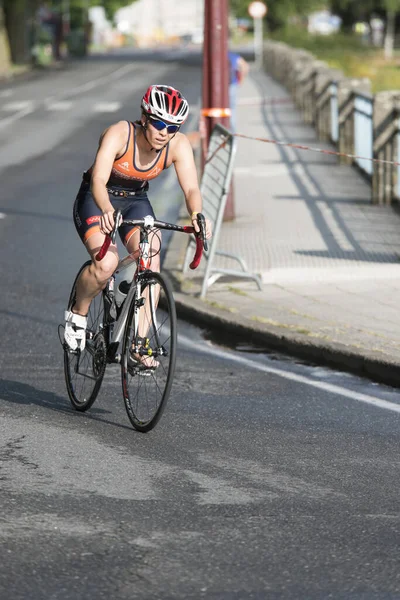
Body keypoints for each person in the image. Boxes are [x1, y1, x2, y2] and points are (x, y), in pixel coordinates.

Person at [64, 84, 211, 363]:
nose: (164, 133)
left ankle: (139, 344)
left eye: (173, 128)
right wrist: (106, 208)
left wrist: (196, 214)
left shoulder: (176, 146)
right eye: (158, 124)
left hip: (135, 199)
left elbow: (191, 188)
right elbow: (97, 180)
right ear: (144, 117)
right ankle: (78, 312)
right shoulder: (119, 134)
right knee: (106, 263)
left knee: (152, 256)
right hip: (98, 198)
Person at [228, 51, 249, 133]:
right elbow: (245, 66)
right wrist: (241, 80)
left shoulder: (217, 55)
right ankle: (233, 133)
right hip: (232, 85)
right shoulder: (233, 56)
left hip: (220, 87)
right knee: (232, 109)